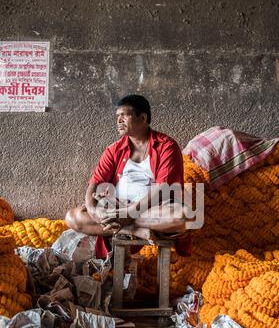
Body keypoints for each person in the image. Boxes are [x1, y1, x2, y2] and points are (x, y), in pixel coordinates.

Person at [65, 94, 192, 258]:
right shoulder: (113, 149)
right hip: (116, 208)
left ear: (143, 118)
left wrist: (129, 214)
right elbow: (94, 185)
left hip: (150, 211)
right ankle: (134, 230)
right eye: (117, 117)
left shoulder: (167, 146)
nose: (119, 121)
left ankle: (128, 224)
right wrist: (95, 212)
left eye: (124, 116)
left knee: (180, 217)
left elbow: (163, 189)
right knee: (73, 217)